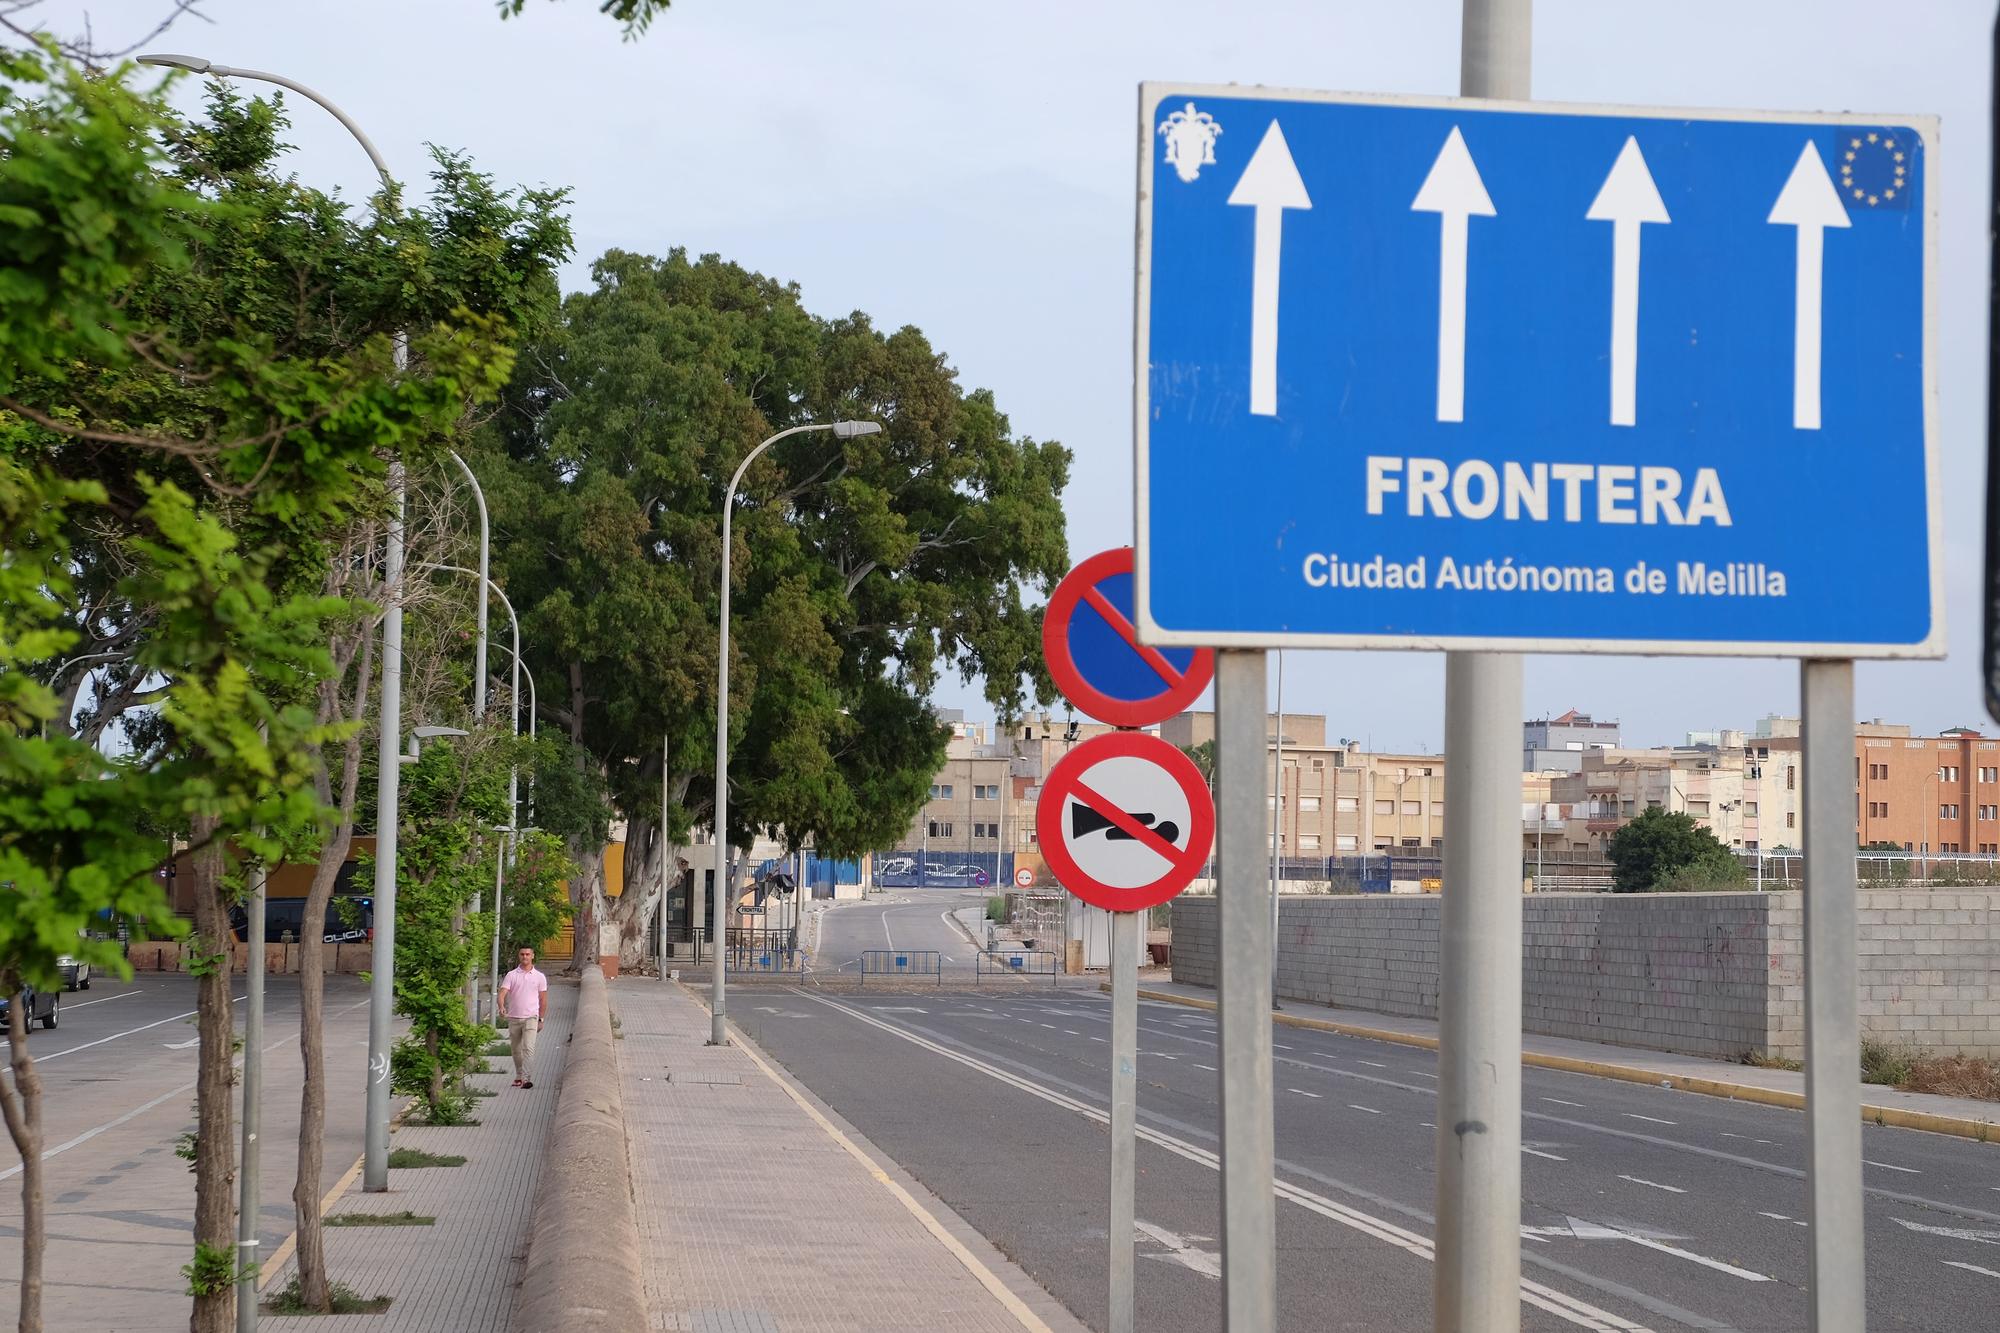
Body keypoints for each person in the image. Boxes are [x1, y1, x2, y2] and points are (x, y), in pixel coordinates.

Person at [498, 945, 549, 1089]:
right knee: (516, 1049)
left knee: (529, 1047)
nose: (525, 957)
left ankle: (527, 1078)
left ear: (532, 956)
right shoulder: (512, 975)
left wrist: (541, 1019)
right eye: (522, 954)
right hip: (514, 1017)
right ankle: (519, 1075)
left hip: (531, 1017)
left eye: (527, 954)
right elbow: (502, 993)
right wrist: (501, 1007)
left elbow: (543, 999)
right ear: (519, 956)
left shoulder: (539, 977)